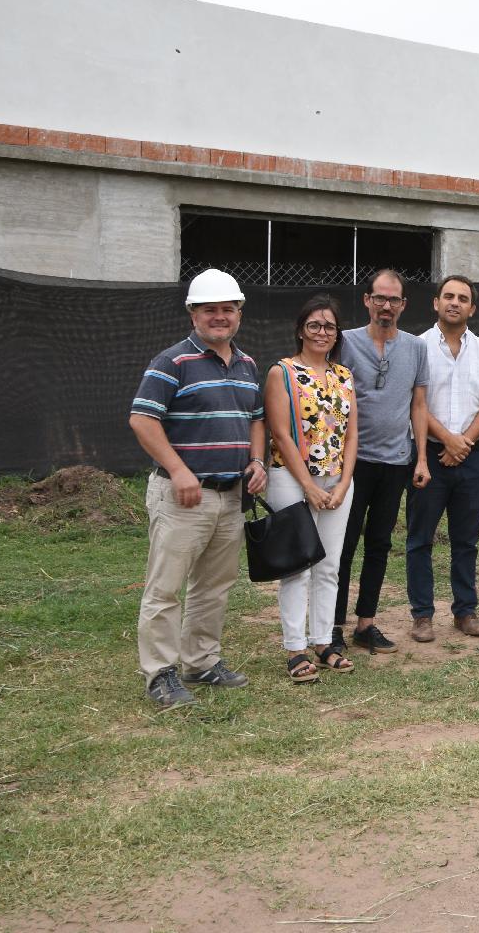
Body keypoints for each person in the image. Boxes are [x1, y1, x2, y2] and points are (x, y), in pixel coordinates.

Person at [128, 268, 267, 706]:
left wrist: (258, 460)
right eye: (210, 309)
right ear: (193, 314)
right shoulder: (172, 362)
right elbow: (142, 419)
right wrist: (180, 469)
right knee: (166, 588)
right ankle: (160, 674)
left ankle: (202, 662)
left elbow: (257, 418)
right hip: (183, 495)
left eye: (228, 309)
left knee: (214, 585)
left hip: (230, 496)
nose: (220, 317)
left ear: (239, 313)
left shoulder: (246, 364)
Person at [405, 275, 479, 642]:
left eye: (462, 298)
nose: (455, 302)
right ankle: (422, 616)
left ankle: (465, 611)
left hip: (471, 458)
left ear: (472, 308)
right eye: (448, 296)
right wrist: (446, 439)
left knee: (466, 540)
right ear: (435, 303)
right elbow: (414, 401)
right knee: (420, 539)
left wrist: (462, 443)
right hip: (426, 455)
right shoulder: (416, 347)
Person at [333, 269, 430, 655]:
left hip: (396, 462)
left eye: (393, 300)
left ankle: (365, 624)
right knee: (343, 546)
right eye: (379, 298)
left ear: (403, 305)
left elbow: (419, 404)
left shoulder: (415, 348)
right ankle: (333, 625)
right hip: (353, 464)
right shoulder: (345, 343)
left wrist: (421, 457)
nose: (386, 306)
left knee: (379, 544)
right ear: (367, 301)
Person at [265, 296, 359, 681]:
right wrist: (307, 485)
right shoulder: (282, 372)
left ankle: (323, 641)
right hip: (291, 479)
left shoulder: (343, 376)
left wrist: (343, 483)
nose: (322, 332)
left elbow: (352, 435)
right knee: (297, 566)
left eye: (330, 327)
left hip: (337, 481)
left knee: (330, 565)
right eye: (315, 325)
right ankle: (294, 648)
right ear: (301, 329)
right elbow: (280, 435)